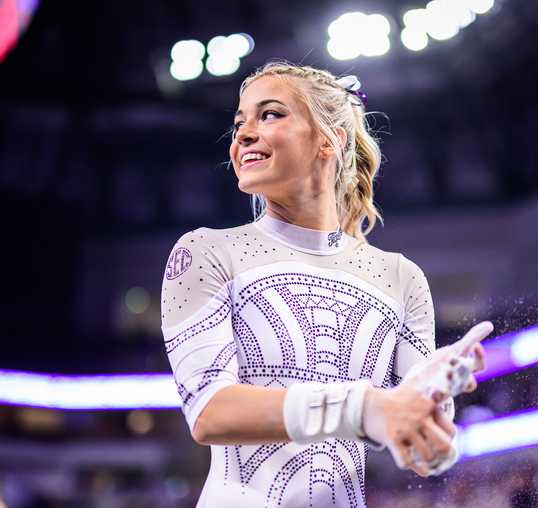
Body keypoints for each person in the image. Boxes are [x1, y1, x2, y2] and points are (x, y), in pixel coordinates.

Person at [160, 61, 490, 507]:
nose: (242, 135)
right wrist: (365, 407)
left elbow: (420, 454)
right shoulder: (208, 252)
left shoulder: (401, 278)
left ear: (329, 139)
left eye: (270, 114)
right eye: (240, 122)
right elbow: (210, 412)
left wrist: (432, 402)